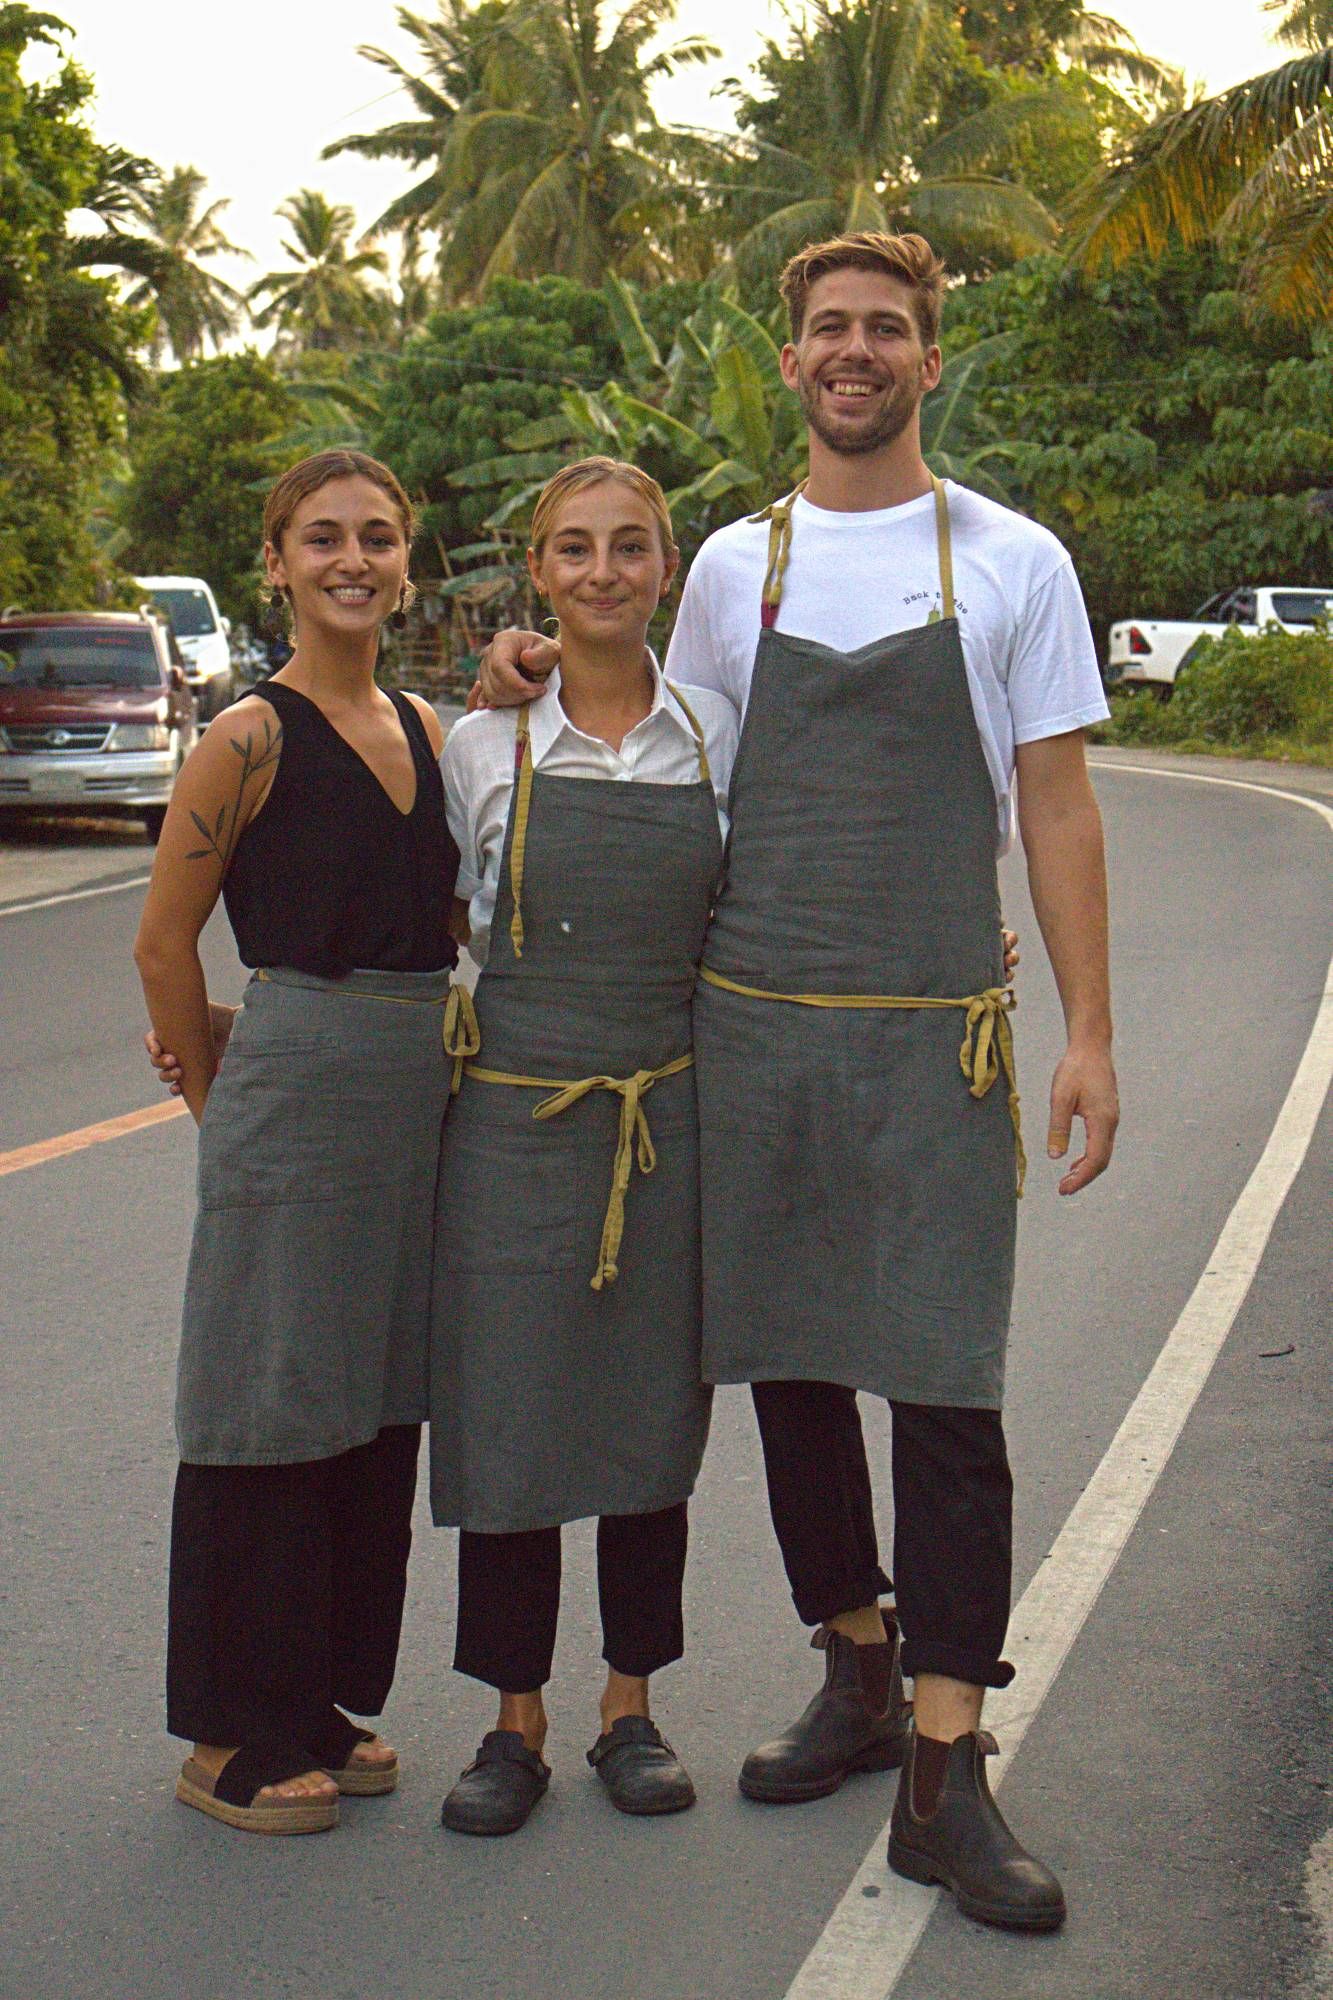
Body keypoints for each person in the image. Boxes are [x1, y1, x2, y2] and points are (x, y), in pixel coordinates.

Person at [475, 231, 1117, 1928]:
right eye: (827, 329)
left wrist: (1090, 1032)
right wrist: (524, 676)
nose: (855, 352)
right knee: (787, 1371)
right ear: (790, 361)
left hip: (934, 1039)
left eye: (884, 329)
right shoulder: (729, 572)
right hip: (748, 1025)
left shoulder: (1009, 561)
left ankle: (944, 1766)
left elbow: (1053, 803)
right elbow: (671, 757)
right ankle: (852, 1660)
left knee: (946, 1388)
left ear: (923, 357)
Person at [135, 449, 459, 1834]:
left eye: (376, 536)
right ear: (274, 561)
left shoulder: (433, 732)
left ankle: (318, 1696)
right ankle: (230, 1733)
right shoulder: (246, 740)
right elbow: (163, 944)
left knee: (372, 1403)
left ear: (405, 557)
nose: (352, 559)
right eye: (320, 537)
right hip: (295, 1085)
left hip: (415, 1094)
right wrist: (226, 1094)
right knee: (264, 1399)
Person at [430, 458, 740, 1837]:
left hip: (662, 1121)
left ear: (663, 569)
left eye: (629, 547)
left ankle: (629, 1704)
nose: (603, 571)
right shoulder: (478, 745)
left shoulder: (716, 732)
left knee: (645, 1421)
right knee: (506, 1419)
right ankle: (511, 1723)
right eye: (575, 550)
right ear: (538, 575)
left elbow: (766, 919)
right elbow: (435, 931)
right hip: (507, 1121)